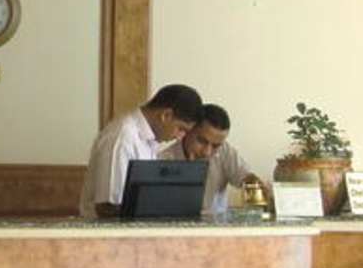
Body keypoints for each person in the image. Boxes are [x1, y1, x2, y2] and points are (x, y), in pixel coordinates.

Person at [78, 83, 204, 218]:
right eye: (181, 129)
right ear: (166, 115)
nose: (180, 137)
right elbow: (108, 207)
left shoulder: (149, 141)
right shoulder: (122, 137)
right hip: (106, 229)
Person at [162, 103, 262, 215]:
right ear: (188, 131)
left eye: (215, 146)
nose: (207, 152)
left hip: (217, 222)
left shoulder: (225, 151)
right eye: (201, 141)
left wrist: (255, 184)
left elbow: (247, 179)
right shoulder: (163, 160)